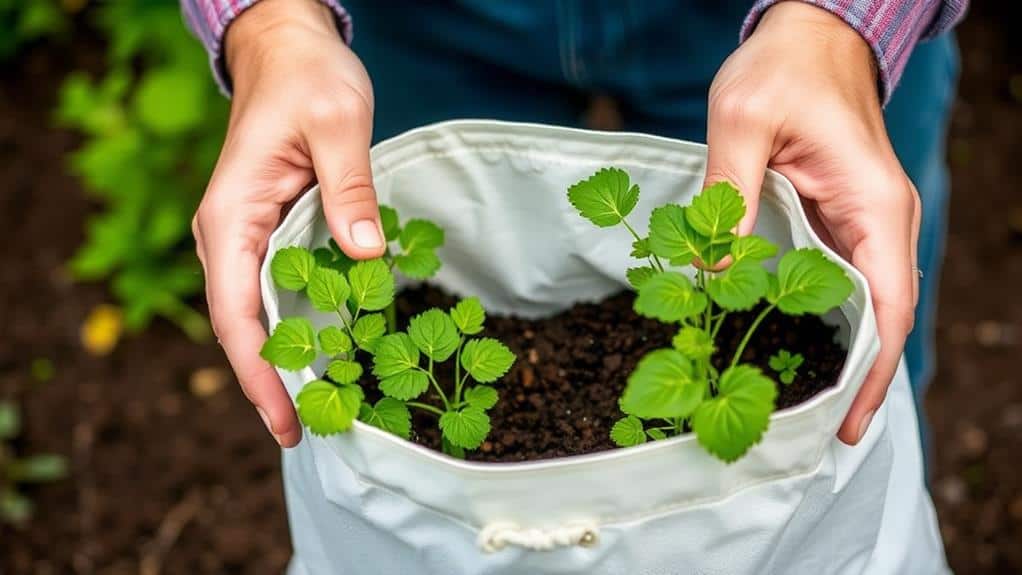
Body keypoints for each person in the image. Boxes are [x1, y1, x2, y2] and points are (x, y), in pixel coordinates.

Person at [182, 0, 967, 450]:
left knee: (843, 368)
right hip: (400, 21)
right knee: (391, 292)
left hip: (786, 30)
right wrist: (273, 26)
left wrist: (843, 25)